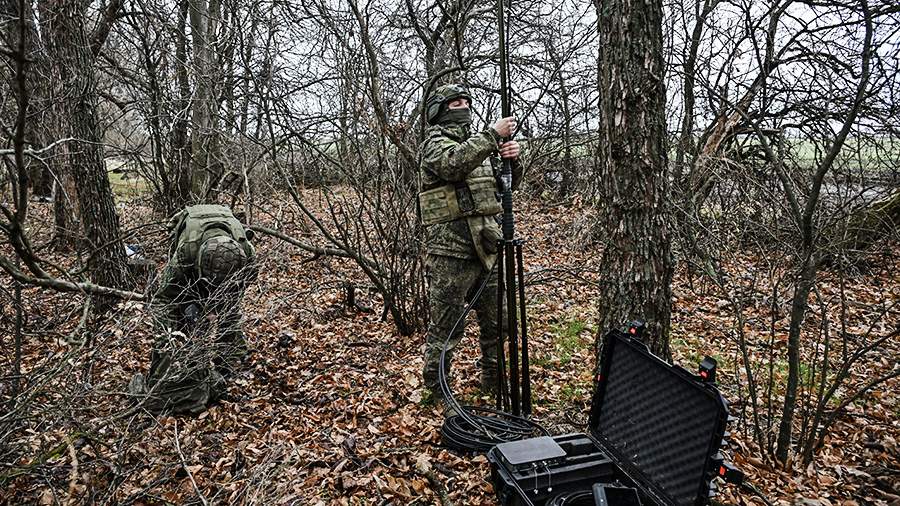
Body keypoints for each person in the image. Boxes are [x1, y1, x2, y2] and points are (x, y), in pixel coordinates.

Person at [418, 83, 523, 408]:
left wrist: (512, 161)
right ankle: (436, 392)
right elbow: (453, 165)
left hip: (487, 246)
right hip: (451, 252)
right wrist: (492, 136)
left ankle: (494, 381)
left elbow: (504, 188)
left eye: (466, 101)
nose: (463, 107)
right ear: (439, 110)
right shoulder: (435, 143)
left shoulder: (480, 146)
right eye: (455, 103)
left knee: (498, 321)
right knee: (446, 327)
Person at [128, 204, 256, 415]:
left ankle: (228, 361)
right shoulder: (185, 254)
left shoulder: (247, 254)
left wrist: (218, 308)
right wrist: (167, 342)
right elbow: (163, 300)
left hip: (225, 261)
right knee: (181, 312)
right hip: (189, 229)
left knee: (229, 311)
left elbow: (239, 292)